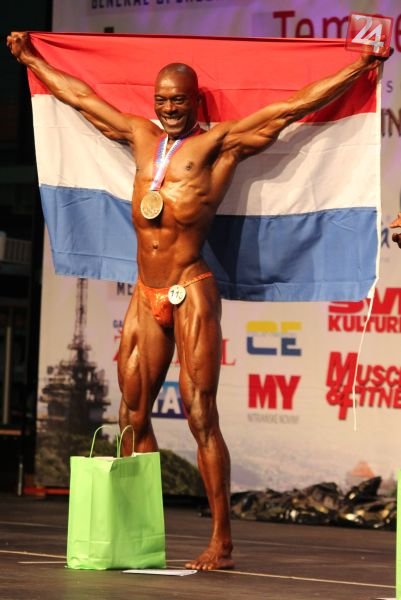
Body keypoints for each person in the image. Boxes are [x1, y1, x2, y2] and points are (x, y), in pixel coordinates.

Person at [7, 31, 388, 570]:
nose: (169, 108)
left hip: (191, 289)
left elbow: (292, 108)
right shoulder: (140, 136)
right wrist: (30, 59)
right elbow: (81, 99)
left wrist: (358, 68)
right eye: (162, 99)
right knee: (132, 413)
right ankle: (138, 529)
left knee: (200, 412)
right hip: (145, 292)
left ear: (194, 101)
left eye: (178, 100)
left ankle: (221, 541)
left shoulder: (220, 145)